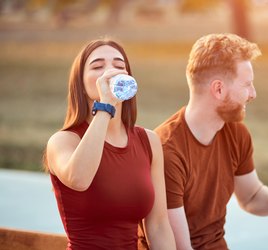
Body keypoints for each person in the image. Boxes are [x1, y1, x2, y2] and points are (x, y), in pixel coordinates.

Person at [153, 33, 268, 249]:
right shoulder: (167, 151)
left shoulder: (236, 133)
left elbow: (251, 197)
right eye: (247, 84)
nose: (253, 94)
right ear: (218, 89)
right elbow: (179, 246)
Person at [44, 38, 176, 250]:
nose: (110, 72)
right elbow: (79, 179)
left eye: (119, 65)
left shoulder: (149, 141)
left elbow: (158, 226)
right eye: (98, 66)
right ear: (81, 83)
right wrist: (105, 106)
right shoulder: (63, 141)